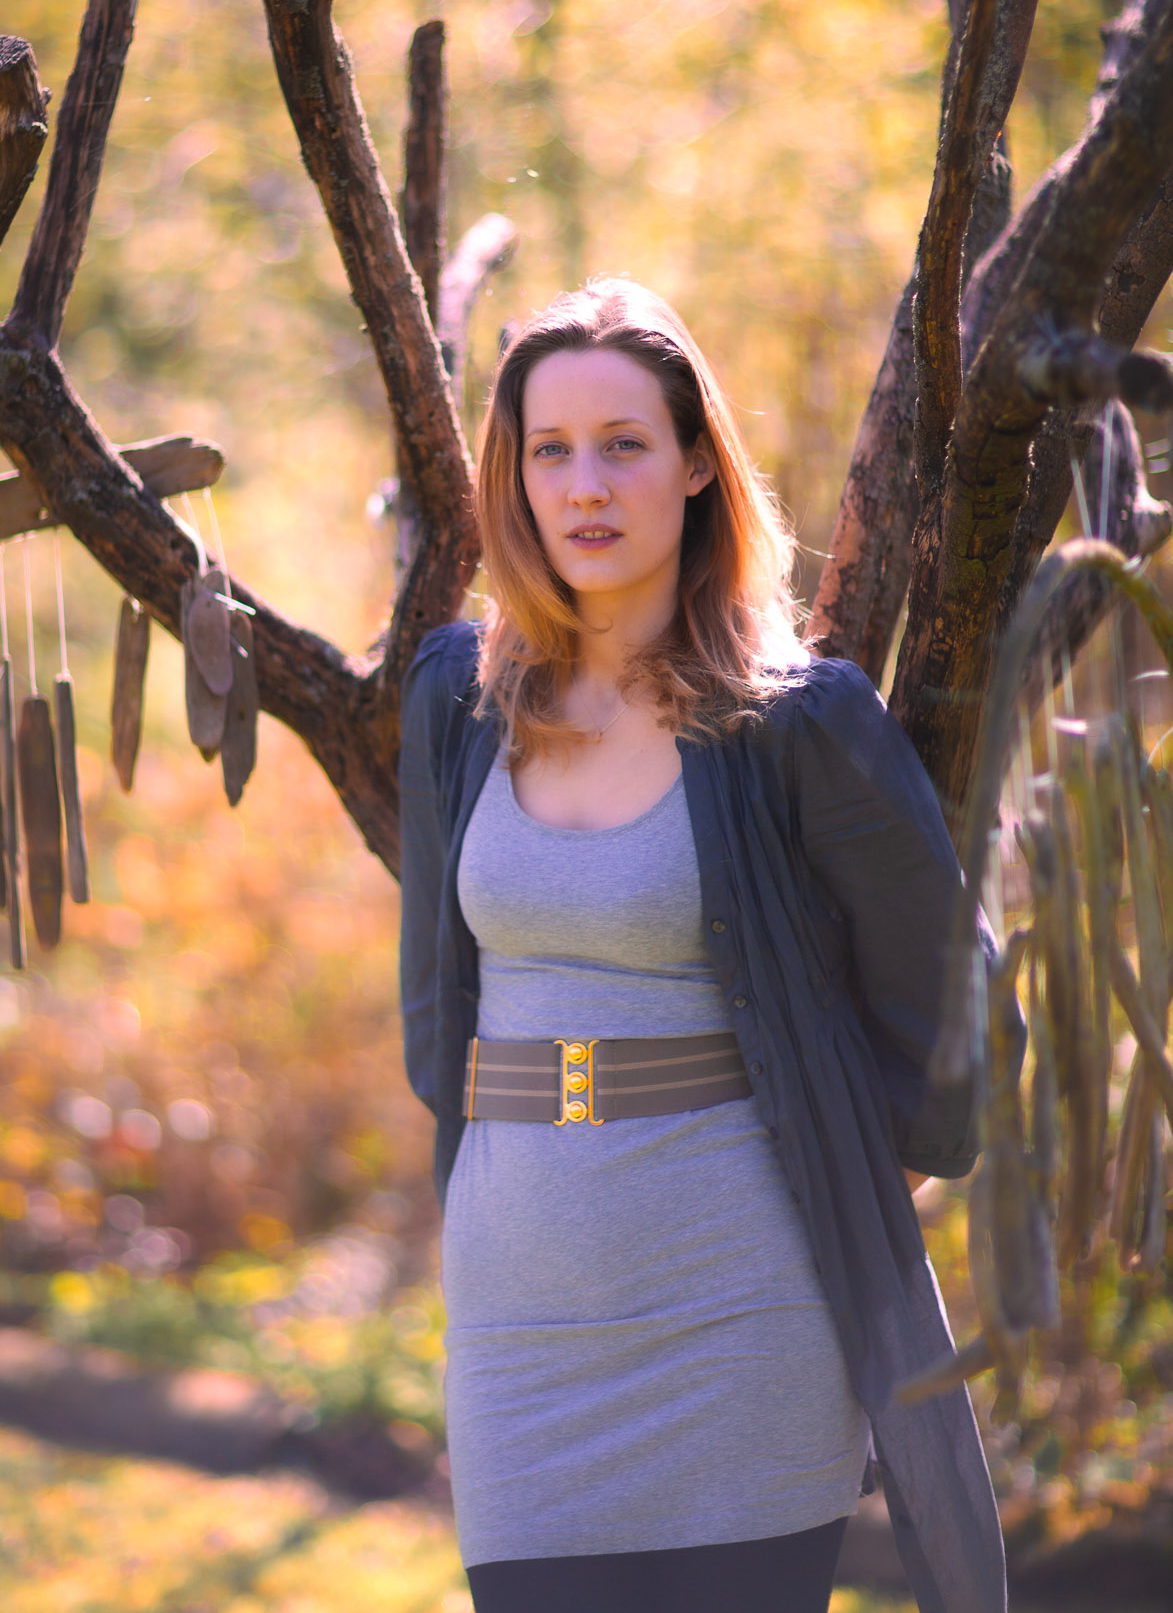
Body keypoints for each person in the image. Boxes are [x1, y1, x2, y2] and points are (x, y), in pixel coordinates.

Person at [398, 278, 1007, 1613]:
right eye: (547, 450)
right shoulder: (454, 698)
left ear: (691, 467)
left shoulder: (794, 723)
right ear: (513, 480)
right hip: (519, 1325)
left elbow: (961, 999)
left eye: (622, 443)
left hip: (741, 1309)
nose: (584, 485)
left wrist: (847, 1167)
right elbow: (435, 1013)